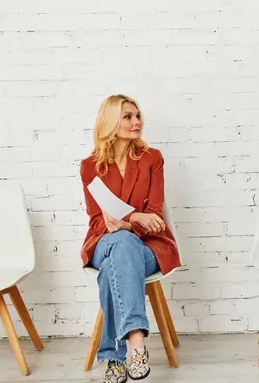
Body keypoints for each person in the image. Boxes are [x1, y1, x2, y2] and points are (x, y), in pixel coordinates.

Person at [79, 94, 181, 382]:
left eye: (138, 116)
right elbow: (99, 221)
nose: (137, 122)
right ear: (111, 122)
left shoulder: (152, 159)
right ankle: (136, 341)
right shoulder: (90, 166)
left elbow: (156, 218)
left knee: (117, 260)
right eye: (128, 117)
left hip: (149, 248)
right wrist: (134, 219)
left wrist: (124, 224)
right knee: (119, 246)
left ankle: (114, 357)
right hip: (102, 243)